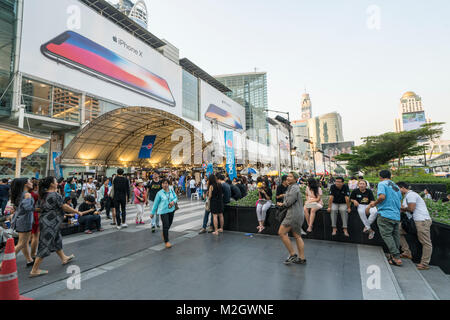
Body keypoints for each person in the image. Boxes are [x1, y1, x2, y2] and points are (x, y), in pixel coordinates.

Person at [30, 177, 80, 278]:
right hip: (51, 223)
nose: (57, 183)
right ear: (52, 184)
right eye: (55, 181)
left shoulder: (43, 195)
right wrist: (77, 211)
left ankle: (63, 258)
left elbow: (37, 208)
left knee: (57, 239)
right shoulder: (55, 194)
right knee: (45, 244)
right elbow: (64, 206)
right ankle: (34, 270)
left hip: (46, 221)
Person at [367, 170, 403, 267]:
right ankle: (395, 255)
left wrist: (374, 203)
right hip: (396, 215)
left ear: (380, 176)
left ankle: (396, 257)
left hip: (386, 214)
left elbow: (382, 197)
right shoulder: (396, 186)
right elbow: (399, 199)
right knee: (395, 236)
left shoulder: (382, 183)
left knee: (387, 235)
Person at [397, 182, 433, 270]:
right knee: (398, 231)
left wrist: (401, 208)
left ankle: (425, 263)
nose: (397, 191)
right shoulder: (407, 196)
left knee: (425, 242)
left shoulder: (411, 195)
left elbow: (411, 208)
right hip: (413, 221)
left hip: (422, 221)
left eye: (397, 188)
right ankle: (406, 252)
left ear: (402, 188)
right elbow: (407, 208)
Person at [277, 172, 306, 265]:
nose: (288, 178)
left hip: (293, 215)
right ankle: (302, 258)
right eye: (288, 176)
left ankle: (293, 254)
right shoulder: (292, 187)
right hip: (297, 214)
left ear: (295, 179)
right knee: (297, 236)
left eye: (290, 176)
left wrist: (282, 204)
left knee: (281, 232)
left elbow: (288, 202)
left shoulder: (294, 188)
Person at [10, 178, 35, 267]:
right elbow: (28, 208)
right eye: (29, 181)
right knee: (21, 243)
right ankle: (3, 263)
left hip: (21, 220)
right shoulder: (27, 194)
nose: (31, 182)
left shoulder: (21, 194)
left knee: (24, 242)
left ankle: (29, 260)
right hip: (25, 221)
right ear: (25, 184)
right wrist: (28, 199)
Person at [151, 179, 178, 248]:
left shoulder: (171, 191)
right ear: (161, 184)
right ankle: (166, 241)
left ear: (168, 184)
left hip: (171, 210)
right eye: (163, 183)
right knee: (165, 225)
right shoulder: (159, 193)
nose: (164, 185)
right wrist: (152, 213)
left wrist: (173, 202)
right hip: (163, 211)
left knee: (169, 223)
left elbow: (175, 198)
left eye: (166, 183)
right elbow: (155, 204)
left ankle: (164, 233)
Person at [30, 181, 40, 259]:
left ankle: (29, 256)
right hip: (34, 215)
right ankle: (33, 254)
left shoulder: (25, 194)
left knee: (29, 237)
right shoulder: (35, 195)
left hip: (27, 217)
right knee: (35, 236)